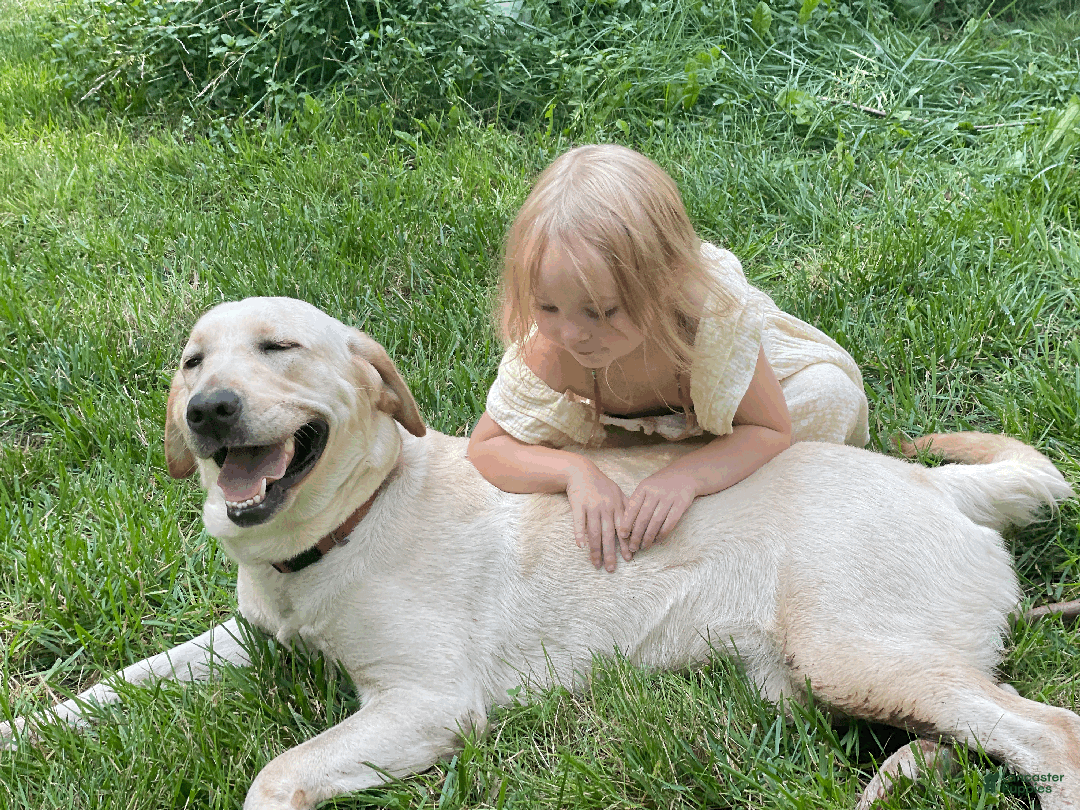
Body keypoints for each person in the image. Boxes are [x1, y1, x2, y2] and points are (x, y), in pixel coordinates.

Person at [467, 144, 868, 572]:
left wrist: (688, 476)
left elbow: (770, 428)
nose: (572, 334)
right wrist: (574, 472)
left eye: (601, 312)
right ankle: (676, 467)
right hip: (633, 434)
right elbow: (486, 447)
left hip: (743, 411)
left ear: (665, 284)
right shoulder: (553, 348)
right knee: (543, 451)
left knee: (830, 396)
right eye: (547, 307)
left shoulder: (708, 321)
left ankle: (689, 465)